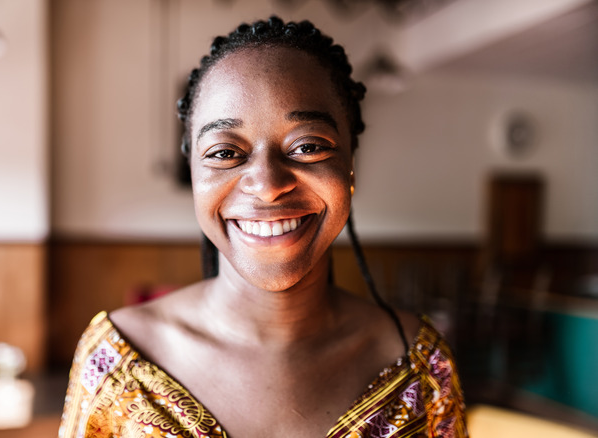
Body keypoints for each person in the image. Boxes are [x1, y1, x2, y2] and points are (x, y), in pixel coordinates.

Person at [60, 16, 467, 438]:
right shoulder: (118, 361)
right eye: (224, 152)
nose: (269, 186)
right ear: (195, 177)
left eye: (307, 146)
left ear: (350, 165)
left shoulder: (419, 366)